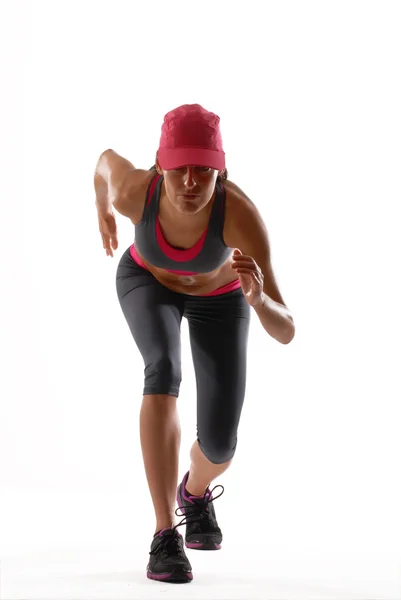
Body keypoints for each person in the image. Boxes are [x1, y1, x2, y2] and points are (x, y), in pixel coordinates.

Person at [94, 103, 295, 584]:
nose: (189, 181)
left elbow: (286, 329)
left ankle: (195, 493)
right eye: (178, 166)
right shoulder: (134, 192)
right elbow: (103, 160)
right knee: (162, 370)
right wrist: (101, 208)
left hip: (220, 299)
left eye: (202, 169)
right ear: (159, 165)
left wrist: (260, 299)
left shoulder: (240, 215)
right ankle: (165, 534)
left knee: (221, 445)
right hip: (148, 281)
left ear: (221, 172)